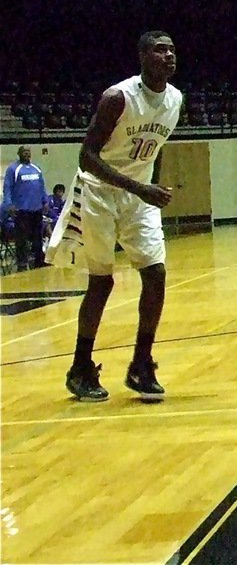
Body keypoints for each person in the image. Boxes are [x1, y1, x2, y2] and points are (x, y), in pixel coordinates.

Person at [44, 33, 182, 401]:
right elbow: (86, 157)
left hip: (138, 196)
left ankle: (141, 363)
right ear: (142, 57)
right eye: (160, 49)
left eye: (172, 49)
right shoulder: (118, 98)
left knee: (155, 274)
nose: (168, 55)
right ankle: (80, 367)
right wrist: (140, 188)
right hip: (98, 192)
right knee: (101, 282)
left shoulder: (175, 99)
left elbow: (157, 148)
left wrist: (151, 185)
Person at [3, 146, 46, 270]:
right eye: (24, 152)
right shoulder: (13, 169)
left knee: (38, 236)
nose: (27, 154)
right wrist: (9, 204)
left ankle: (39, 259)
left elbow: (41, 186)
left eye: (28, 152)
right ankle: (22, 261)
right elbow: (7, 188)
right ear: (19, 154)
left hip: (36, 209)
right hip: (21, 210)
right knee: (21, 238)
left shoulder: (36, 168)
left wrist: (45, 201)